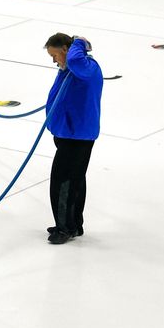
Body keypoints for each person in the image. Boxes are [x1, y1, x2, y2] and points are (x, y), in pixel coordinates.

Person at [43, 33, 103, 245]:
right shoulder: (71, 70)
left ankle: (64, 228)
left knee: (63, 181)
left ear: (66, 51)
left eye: (55, 55)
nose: (54, 60)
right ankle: (73, 224)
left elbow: (76, 59)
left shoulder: (85, 67)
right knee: (75, 179)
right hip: (69, 134)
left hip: (76, 136)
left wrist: (78, 42)